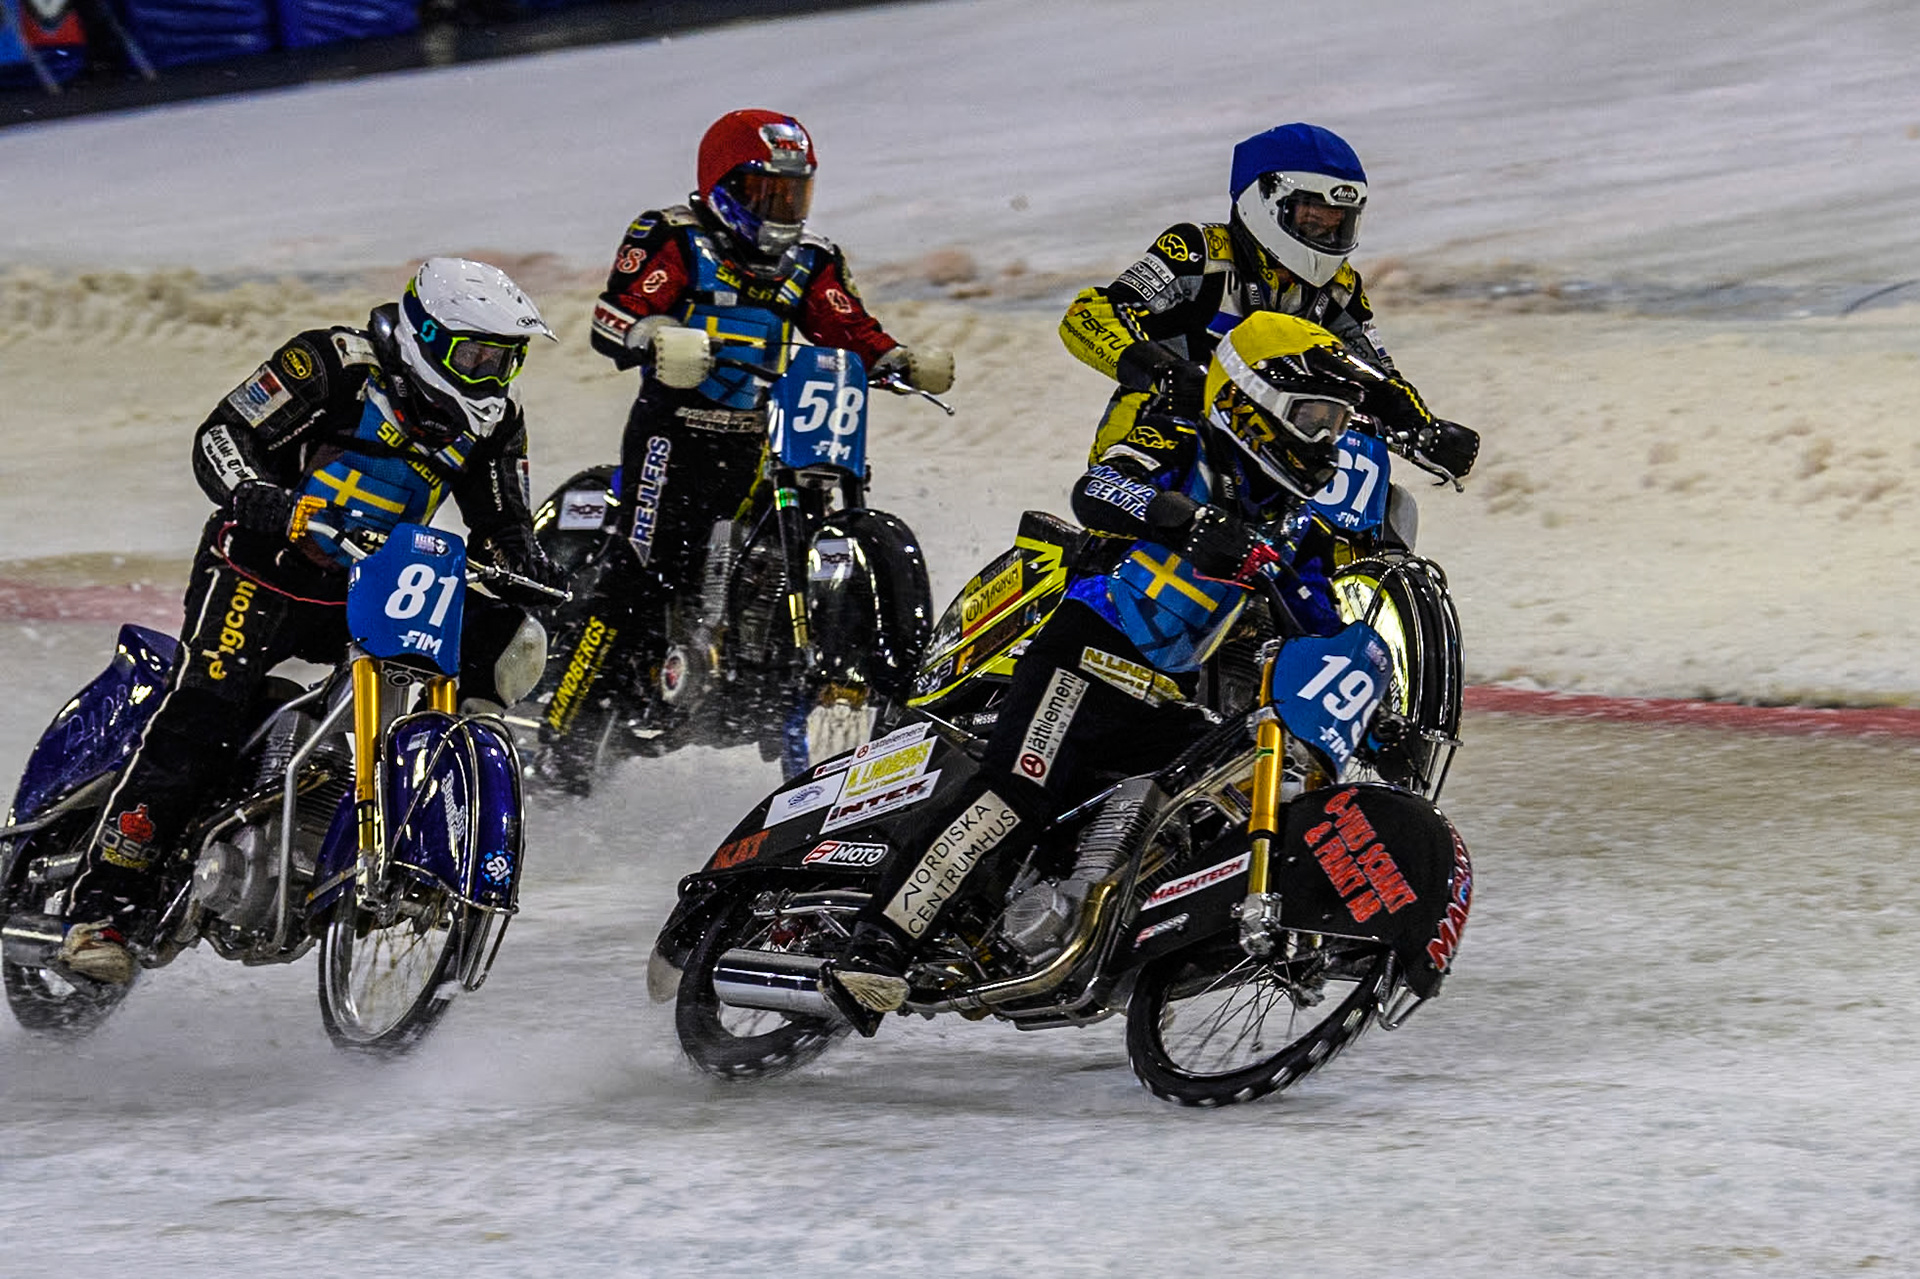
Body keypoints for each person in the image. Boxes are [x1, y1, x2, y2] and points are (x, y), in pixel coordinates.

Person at [822, 311, 1363, 1032]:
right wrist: (1185, 521)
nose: (1325, 439)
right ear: (1251, 403)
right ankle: (880, 941)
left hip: (1161, 696)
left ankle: (1130, 938)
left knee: (1216, 792)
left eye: (1337, 422)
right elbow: (1100, 490)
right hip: (1082, 654)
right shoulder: (1181, 440)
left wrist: (1363, 696)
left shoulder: (1304, 528)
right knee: (1018, 790)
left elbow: (1322, 624)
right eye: (1314, 417)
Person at [58, 257, 565, 984]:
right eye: (477, 355)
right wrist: (266, 498)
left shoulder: (494, 420)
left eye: (505, 359)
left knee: (498, 636)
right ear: (425, 336)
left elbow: (505, 528)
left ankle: (386, 829)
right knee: (203, 718)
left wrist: (534, 567)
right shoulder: (331, 364)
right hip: (257, 572)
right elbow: (219, 438)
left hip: (373, 588)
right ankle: (102, 904)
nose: (491, 375)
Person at [539, 108, 953, 785]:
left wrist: (896, 358)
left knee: (775, 547)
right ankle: (564, 738)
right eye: (767, 193)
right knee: (641, 572)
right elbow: (613, 317)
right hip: (675, 435)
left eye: (794, 193)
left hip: (760, 439)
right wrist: (651, 336)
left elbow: (845, 322)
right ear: (724, 186)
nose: (783, 209)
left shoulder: (812, 260)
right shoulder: (672, 237)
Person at [1058, 122, 1479, 481]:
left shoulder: (1341, 286)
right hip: (1161, 438)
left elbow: (1373, 374)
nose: (1327, 238)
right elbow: (1088, 314)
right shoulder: (1198, 251)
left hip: (1275, 460)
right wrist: (1162, 372)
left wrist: (1425, 430)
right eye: (1313, 219)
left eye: (1339, 224)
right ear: (1265, 201)